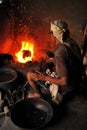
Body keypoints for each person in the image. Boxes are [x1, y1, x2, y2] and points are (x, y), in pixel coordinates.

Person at [27, 20, 82, 104]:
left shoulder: (60, 53)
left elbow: (64, 81)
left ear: (54, 35)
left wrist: (44, 77)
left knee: (30, 74)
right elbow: (68, 58)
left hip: (68, 87)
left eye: (51, 33)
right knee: (40, 68)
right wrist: (53, 59)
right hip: (77, 79)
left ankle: (38, 94)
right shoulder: (70, 42)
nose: (50, 35)